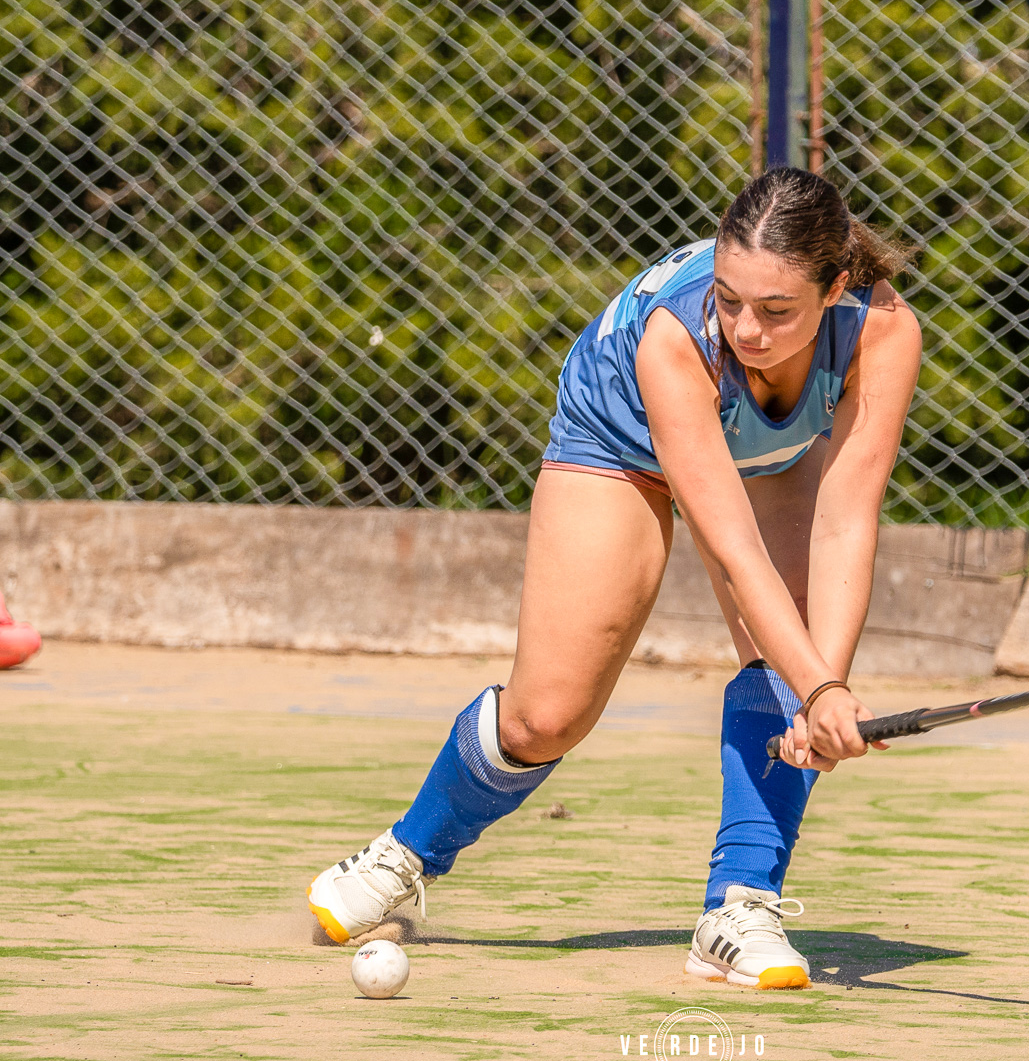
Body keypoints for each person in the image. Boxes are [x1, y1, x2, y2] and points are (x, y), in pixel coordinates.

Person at [306, 167, 923, 989]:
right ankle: (404, 852)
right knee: (544, 719)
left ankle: (739, 909)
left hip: (770, 457)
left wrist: (826, 686)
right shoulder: (674, 336)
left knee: (792, 663)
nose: (747, 329)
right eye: (732, 299)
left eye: (778, 311)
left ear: (835, 286)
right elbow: (733, 548)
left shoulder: (881, 329)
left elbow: (849, 514)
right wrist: (816, 690)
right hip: (621, 434)